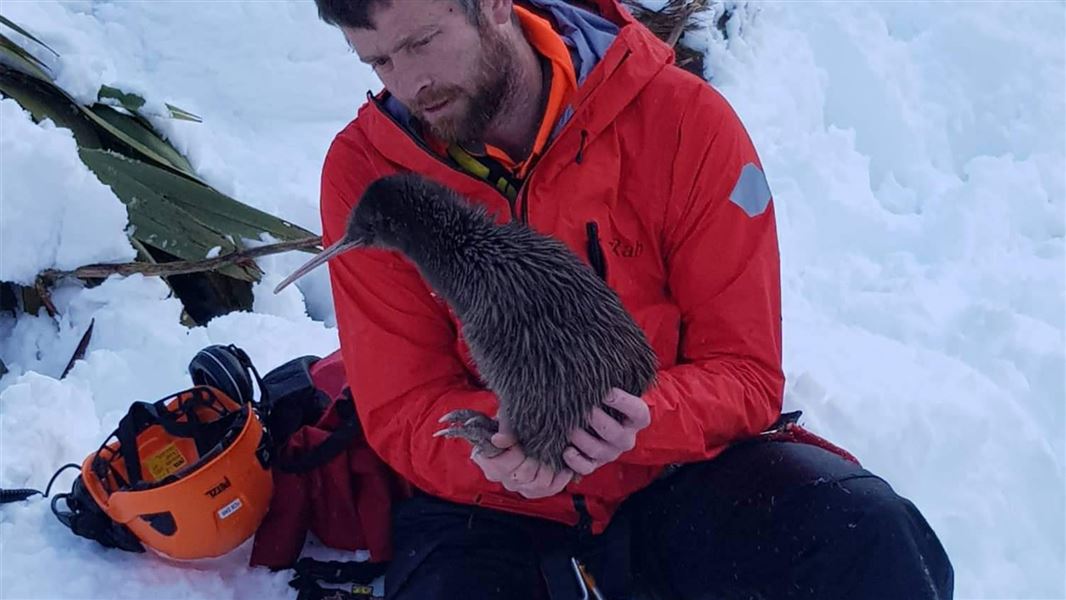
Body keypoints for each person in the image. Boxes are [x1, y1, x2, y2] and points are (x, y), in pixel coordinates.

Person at [310, 0, 954, 598]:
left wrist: (639, 419)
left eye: (423, 40)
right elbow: (403, 410)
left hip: (677, 474)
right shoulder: (367, 174)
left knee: (867, 536)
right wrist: (507, 446)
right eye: (379, 61)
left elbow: (746, 372)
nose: (410, 83)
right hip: (491, 511)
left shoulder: (680, 119)